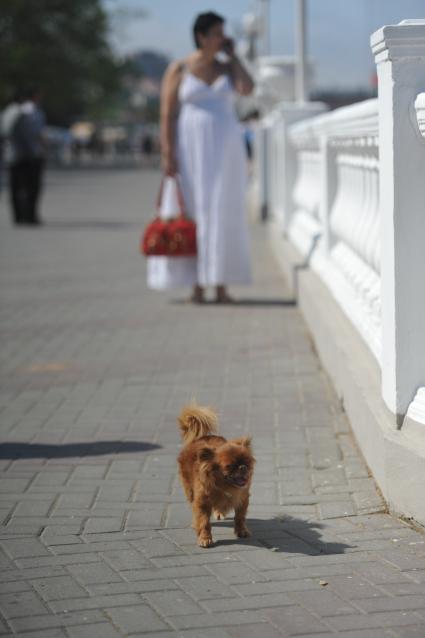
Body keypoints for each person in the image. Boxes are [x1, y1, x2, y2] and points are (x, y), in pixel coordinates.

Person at [149, 11, 254, 303]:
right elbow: (167, 114)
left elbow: (247, 89)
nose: (223, 38)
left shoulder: (226, 68)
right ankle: (196, 285)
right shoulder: (179, 68)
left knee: (223, 209)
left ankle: (220, 283)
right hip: (191, 147)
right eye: (218, 33)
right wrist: (168, 153)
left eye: (224, 33)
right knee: (193, 208)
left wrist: (234, 58)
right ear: (202, 37)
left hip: (225, 149)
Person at [8, 87, 46, 226]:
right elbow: (37, 134)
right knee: (32, 187)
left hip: (13, 154)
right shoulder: (32, 111)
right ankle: (30, 216)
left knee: (16, 187)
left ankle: (18, 216)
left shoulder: (10, 111)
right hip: (30, 155)